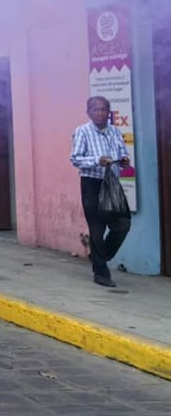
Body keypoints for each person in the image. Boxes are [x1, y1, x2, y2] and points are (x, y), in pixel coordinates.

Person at [70, 96, 132, 288]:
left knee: (123, 223)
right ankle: (101, 273)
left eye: (104, 109)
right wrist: (97, 160)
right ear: (89, 112)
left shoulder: (115, 131)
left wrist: (124, 160)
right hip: (91, 184)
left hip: (111, 183)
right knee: (97, 227)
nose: (100, 113)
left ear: (108, 112)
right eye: (96, 109)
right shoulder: (82, 131)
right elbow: (75, 158)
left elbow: (123, 152)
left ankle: (100, 254)